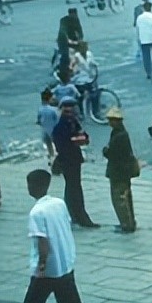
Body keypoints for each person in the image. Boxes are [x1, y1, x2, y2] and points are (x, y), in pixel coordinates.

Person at [14, 169, 91, 303]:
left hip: (49, 267)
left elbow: (43, 242)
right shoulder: (58, 203)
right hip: (65, 260)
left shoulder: (36, 212)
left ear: (33, 186)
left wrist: (41, 266)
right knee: (70, 300)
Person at [51, 97, 97, 228]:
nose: (70, 114)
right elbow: (72, 140)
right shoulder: (61, 127)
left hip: (74, 158)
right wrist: (79, 139)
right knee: (74, 188)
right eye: (67, 111)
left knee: (73, 187)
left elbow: (82, 135)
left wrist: (79, 138)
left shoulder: (72, 122)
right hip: (68, 160)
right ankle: (80, 216)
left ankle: (74, 214)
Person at [99, 106, 136, 234]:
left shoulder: (119, 136)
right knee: (125, 197)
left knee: (120, 198)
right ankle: (129, 222)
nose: (109, 122)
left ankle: (126, 224)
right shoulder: (120, 133)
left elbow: (111, 153)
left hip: (119, 172)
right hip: (122, 171)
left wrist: (105, 151)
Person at [135, 1, 152, 79]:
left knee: (146, 57)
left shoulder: (139, 18)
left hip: (144, 40)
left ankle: (148, 73)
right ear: (151, 8)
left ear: (143, 8)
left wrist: (138, 39)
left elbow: (137, 29)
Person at [56, 8, 83, 78]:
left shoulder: (76, 20)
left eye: (76, 14)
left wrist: (80, 39)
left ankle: (75, 69)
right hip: (63, 40)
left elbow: (80, 30)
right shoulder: (63, 20)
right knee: (65, 55)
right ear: (70, 14)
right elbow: (63, 30)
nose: (75, 16)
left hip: (73, 39)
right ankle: (62, 72)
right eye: (74, 14)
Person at [37, 88, 59, 163]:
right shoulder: (53, 109)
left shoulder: (40, 109)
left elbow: (39, 120)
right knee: (57, 144)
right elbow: (57, 120)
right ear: (50, 99)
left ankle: (51, 158)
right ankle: (58, 158)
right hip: (53, 130)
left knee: (49, 145)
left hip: (45, 130)